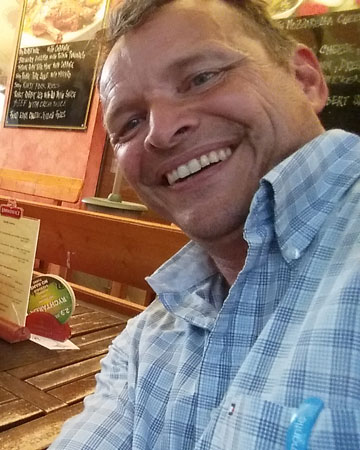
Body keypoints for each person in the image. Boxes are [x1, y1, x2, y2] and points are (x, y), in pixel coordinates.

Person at [52, 1, 360, 449]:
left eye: (201, 78)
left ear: (305, 80)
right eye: (130, 121)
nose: (161, 130)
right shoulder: (149, 340)